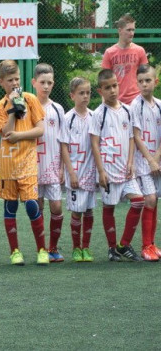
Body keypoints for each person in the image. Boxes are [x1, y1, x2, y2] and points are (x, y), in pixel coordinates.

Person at [0, 59, 48, 265]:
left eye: (17, 79)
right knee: (10, 207)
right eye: (10, 80)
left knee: (32, 206)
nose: (15, 83)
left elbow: (40, 130)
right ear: (1, 82)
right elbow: (7, 132)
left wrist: (20, 136)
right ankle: (15, 251)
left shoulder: (31, 99)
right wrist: (12, 108)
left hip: (27, 163)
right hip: (8, 166)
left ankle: (41, 250)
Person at [89, 68, 144, 262]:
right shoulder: (98, 114)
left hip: (125, 169)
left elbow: (131, 137)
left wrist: (130, 161)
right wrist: (101, 171)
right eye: (107, 88)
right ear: (100, 91)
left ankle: (124, 244)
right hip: (109, 170)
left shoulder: (128, 110)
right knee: (109, 207)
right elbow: (94, 143)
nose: (112, 90)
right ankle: (112, 248)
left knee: (139, 201)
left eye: (114, 86)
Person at [59, 77, 96, 262]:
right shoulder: (68, 118)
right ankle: (76, 248)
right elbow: (63, 147)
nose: (85, 96)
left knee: (89, 210)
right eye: (81, 93)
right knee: (76, 211)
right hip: (75, 172)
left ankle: (86, 248)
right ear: (72, 95)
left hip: (90, 172)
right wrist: (70, 172)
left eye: (88, 92)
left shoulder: (94, 117)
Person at [31, 63, 65, 262]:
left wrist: (62, 167)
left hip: (52, 166)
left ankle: (53, 247)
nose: (46, 86)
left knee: (57, 207)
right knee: (38, 207)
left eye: (49, 83)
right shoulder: (27, 106)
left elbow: (63, 140)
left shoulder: (57, 109)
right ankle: (42, 249)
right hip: (33, 166)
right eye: (42, 82)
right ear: (34, 82)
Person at [131, 64, 161, 261]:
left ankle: (152, 244)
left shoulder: (159, 105)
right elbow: (136, 136)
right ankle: (145, 246)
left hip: (156, 161)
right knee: (149, 199)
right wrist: (150, 160)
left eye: (148, 80)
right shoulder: (136, 105)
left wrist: (156, 159)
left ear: (155, 82)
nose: (144, 84)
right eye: (140, 81)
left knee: (155, 199)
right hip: (143, 162)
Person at [101, 13, 148, 104]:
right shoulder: (109, 53)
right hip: (117, 102)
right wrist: (105, 104)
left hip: (137, 101)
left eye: (133, 30)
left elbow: (146, 77)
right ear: (120, 30)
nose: (132, 33)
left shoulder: (140, 51)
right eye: (128, 30)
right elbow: (104, 81)